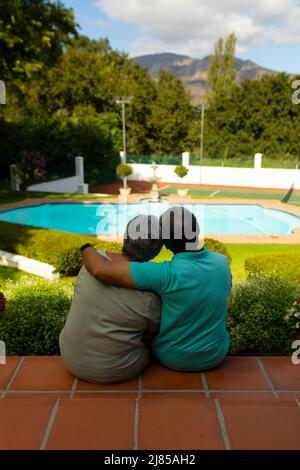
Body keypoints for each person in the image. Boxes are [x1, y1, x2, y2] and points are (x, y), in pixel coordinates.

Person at [82, 206, 232, 372]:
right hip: (215, 354)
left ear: (166, 244)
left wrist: (87, 248)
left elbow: (100, 270)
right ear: (196, 231)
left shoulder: (165, 273)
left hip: (173, 357)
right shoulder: (222, 263)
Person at [59, 215, 162, 384]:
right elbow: (149, 336)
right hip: (115, 369)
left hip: (69, 357)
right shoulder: (150, 294)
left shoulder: (91, 263)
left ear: (125, 237)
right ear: (156, 251)